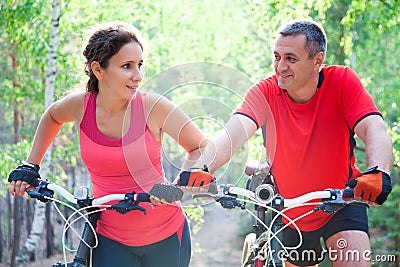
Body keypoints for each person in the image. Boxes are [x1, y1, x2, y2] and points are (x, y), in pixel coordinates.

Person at [177, 19, 393, 266]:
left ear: (317, 61)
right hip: (289, 211)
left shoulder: (342, 82)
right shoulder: (265, 93)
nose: (281, 67)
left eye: (291, 58)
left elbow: (374, 128)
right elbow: (231, 135)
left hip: (340, 202)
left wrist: (378, 172)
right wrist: (202, 168)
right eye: (277, 57)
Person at [8, 21, 206, 267]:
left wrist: (177, 188)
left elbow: (200, 147)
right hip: (110, 238)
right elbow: (52, 116)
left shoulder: (153, 107)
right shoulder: (80, 107)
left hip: (165, 235)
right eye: (127, 66)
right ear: (98, 69)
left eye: (140, 65)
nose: (138, 76)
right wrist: (31, 165)